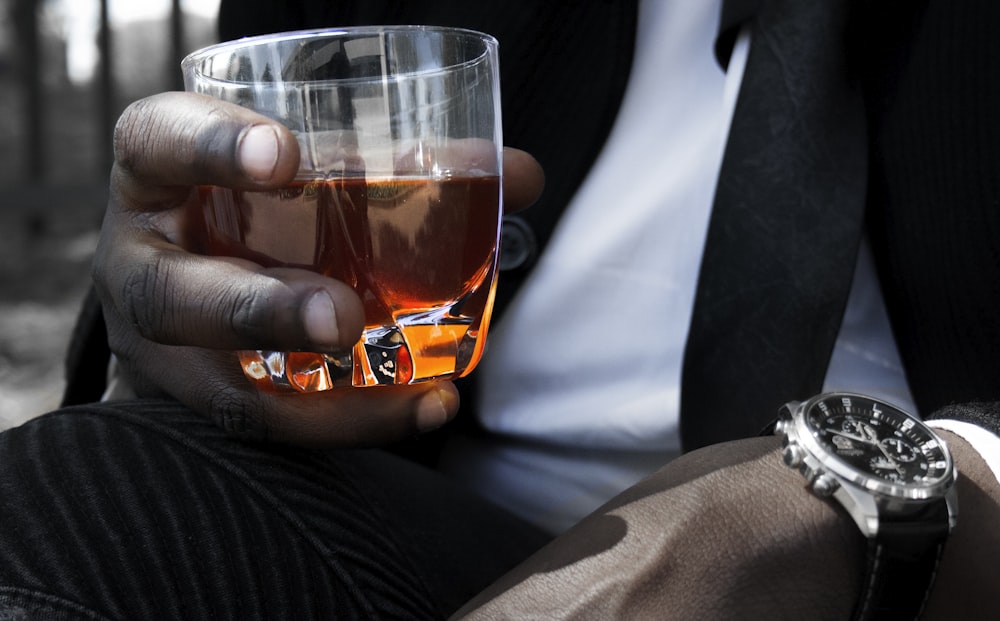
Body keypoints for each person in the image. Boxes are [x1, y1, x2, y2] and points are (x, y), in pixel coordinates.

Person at [3, 0, 999, 619]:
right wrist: (189, 333)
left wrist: (840, 521)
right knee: (74, 495)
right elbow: (225, 261)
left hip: (942, 567)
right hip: (462, 555)